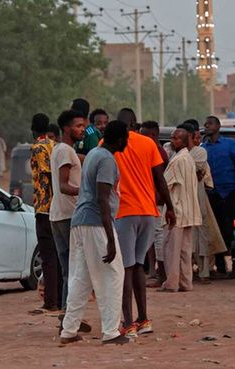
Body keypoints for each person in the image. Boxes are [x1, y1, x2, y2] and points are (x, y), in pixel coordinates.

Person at [59, 120, 131, 346]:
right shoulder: (107, 160)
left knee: (82, 278)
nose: (128, 141)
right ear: (119, 140)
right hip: (95, 224)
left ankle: (68, 330)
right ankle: (111, 332)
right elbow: (102, 198)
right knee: (112, 274)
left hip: (80, 222)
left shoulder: (93, 153)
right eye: (126, 138)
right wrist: (111, 239)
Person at [112, 108, 174, 338]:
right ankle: (144, 319)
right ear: (135, 123)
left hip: (124, 212)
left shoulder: (107, 144)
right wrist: (170, 209)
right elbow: (160, 179)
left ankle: (128, 322)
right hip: (148, 211)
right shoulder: (148, 144)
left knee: (126, 267)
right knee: (138, 265)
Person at [52, 109, 88, 331]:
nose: (82, 130)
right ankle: (70, 317)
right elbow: (65, 186)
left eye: (83, 126)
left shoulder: (61, 149)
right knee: (74, 270)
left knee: (68, 269)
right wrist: (86, 192)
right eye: (78, 126)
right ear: (66, 128)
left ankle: (68, 316)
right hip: (69, 215)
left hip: (59, 214)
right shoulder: (65, 151)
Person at [182, 121, 226, 283]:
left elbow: (186, 169)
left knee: (202, 236)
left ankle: (204, 272)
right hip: (182, 200)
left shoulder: (199, 151)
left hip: (198, 199)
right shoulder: (176, 152)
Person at [202, 115, 235, 278]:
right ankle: (220, 266)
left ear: (218, 126)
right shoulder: (203, 148)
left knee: (231, 229)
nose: (207, 126)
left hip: (230, 191)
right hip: (212, 193)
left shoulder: (230, 144)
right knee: (215, 230)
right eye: (206, 124)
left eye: (210, 123)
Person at [28, 113, 60, 314]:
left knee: (48, 256)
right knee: (58, 254)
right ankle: (59, 297)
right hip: (58, 207)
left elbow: (47, 174)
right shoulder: (55, 145)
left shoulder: (38, 147)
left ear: (32, 129)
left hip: (44, 206)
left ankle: (51, 300)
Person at [162, 128, 201, 292]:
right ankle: (186, 282)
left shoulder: (178, 160)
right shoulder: (188, 158)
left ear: (184, 141)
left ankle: (172, 283)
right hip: (189, 210)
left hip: (177, 210)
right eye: (172, 138)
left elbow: (166, 184)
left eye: (176, 138)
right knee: (185, 251)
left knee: (172, 250)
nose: (173, 141)